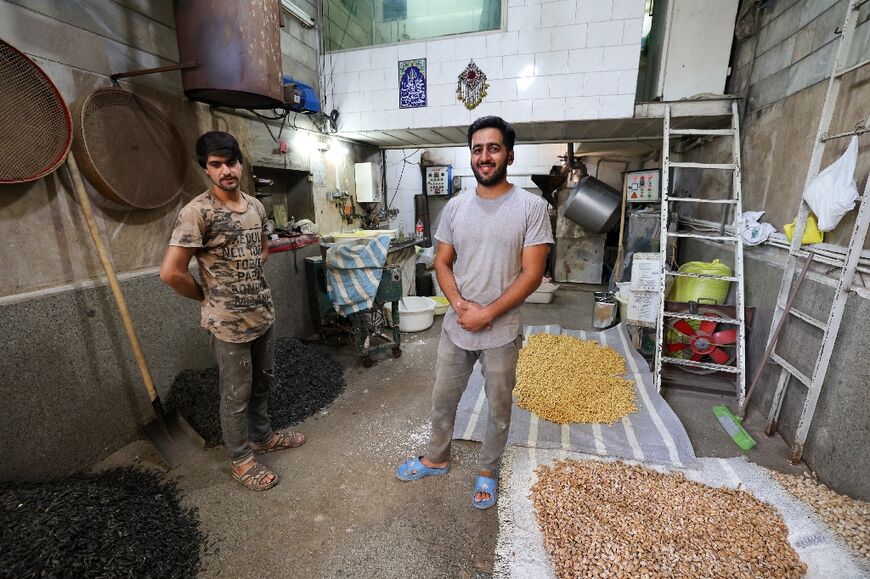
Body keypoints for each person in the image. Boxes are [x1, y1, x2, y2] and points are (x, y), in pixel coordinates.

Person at [395, 116, 553, 509]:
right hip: (457, 326)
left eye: (493, 148)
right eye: (477, 149)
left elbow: (533, 274)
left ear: (509, 156)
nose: (484, 156)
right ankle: (436, 458)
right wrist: (459, 305)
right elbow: (442, 261)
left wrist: (488, 313)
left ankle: (487, 470)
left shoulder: (532, 207)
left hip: (502, 329)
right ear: (471, 155)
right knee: (443, 399)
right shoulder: (455, 206)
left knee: (498, 407)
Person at [160, 131, 305, 492]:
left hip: (262, 314)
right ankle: (241, 460)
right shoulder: (197, 212)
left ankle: (263, 437)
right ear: (206, 169)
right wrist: (208, 297)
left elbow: (262, 248)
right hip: (228, 326)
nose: (226, 170)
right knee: (236, 394)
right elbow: (171, 272)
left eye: (231, 162)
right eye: (216, 164)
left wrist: (246, 278)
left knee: (263, 381)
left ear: (240, 163)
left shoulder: (255, 206)